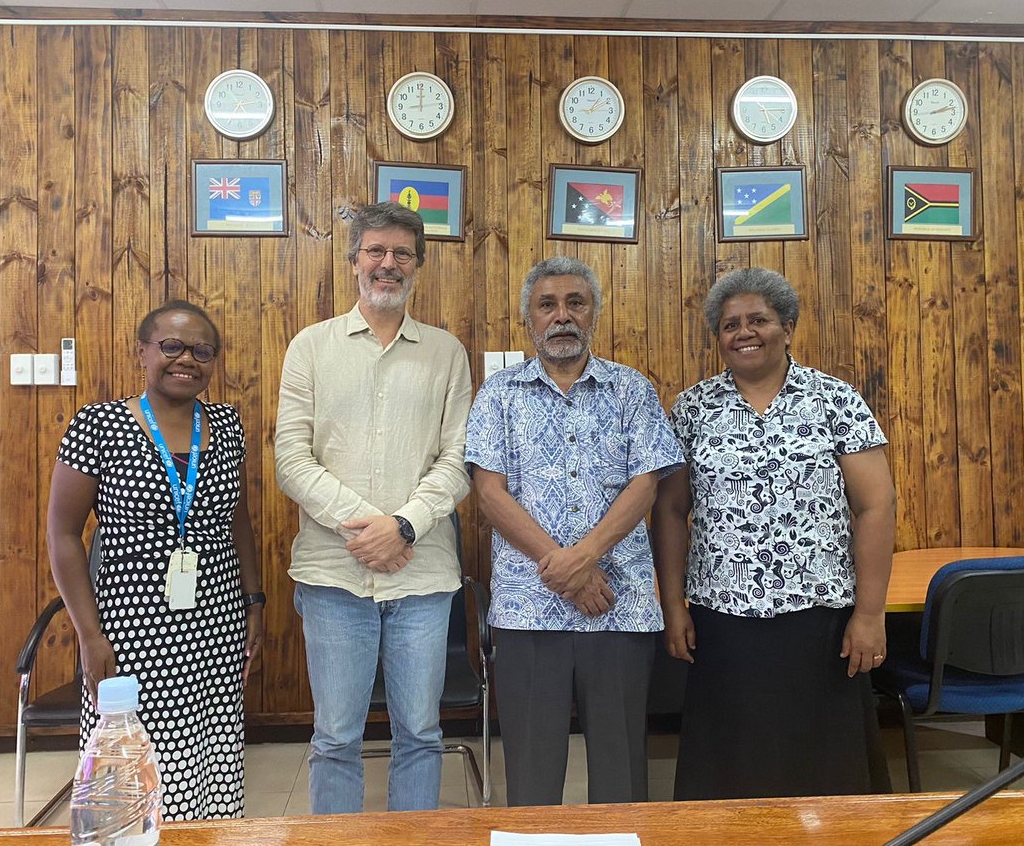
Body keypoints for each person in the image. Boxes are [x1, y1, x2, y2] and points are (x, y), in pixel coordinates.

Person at [653, 266, 896, 800]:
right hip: (723, 622)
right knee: (729, 769)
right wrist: (674, 606)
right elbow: (670, 513)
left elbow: (876, 507)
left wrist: (870, 614)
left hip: (821, 621)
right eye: (729, 324)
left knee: (824, 771)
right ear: (718, 337)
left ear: (787, 326)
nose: (744, 332)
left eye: (758, 320)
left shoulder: (835, 400)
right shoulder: (693, 408)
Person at [274, 201, 472, 814]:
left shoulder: (446, 352)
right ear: (354, 260)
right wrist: (369, 527)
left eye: (402, 254)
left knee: (421, 733)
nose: (388, 264)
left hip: (423, 576)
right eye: (376, 252)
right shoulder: (310, 347)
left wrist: (404, 526)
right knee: (335, 737)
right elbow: (292, 459)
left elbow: (458, 459)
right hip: (335, 573)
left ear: (418, 265)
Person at [465, 256, 684, 806]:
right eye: (547, 305)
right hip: (527, 609)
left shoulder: (631, 390)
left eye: (575, 303)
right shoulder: (498, 395)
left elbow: (646, 485)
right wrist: (565, 569)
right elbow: (490, 493)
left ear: (594, 314)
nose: (562, 316)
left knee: (622, 770)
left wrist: (584, 557)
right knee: (533, 774)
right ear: (529, 320)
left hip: (620, 606)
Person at [47, 299, 264, 820]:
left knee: (212, 761)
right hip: (128, 630)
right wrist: (89, 634)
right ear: (142, 351)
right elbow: (62, 533)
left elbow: (238, 519)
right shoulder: (98, 424)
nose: (186, 358)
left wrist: (254, 600)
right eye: (171, 345)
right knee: (135, 766)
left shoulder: (228, 424)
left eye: (202, 350)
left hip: (217, 623)